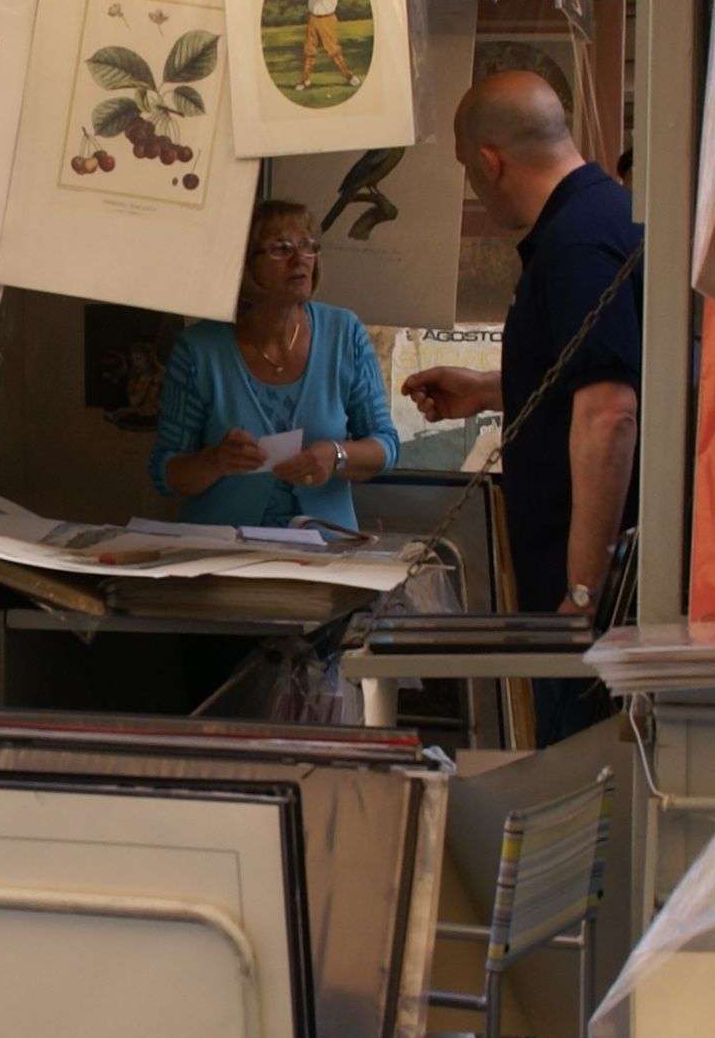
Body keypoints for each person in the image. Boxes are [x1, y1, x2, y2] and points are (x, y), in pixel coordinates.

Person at [407, 70, 641, 742]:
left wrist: (581, 592)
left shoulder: (573, 246)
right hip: (594, 593)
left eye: (468, 172)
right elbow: (602, 369)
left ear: (489, 160)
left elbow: (610, 413)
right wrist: (487, 389)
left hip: (591, 605)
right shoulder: (605, 215)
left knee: (585, 792)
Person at [148, 198, 396, 534]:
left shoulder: (344, 332)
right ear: (243, 262)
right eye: (281, 248)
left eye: (308, 246)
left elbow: (386, 446)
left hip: (324, 554)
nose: (300, 259)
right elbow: (165, 474)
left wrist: (336, 456)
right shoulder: (198, 349)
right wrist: (215, 461)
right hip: (220, 554)